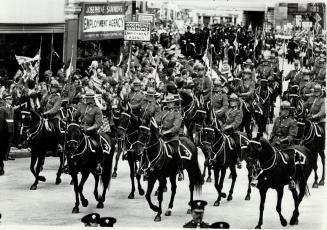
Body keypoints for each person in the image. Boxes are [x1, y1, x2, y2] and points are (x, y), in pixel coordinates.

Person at [269, 101, 298, 189]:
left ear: (288, 111)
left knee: (290, 159)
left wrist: (281, 141)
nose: (282, 111)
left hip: (286, 145)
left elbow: (291, 136)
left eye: (285, 110)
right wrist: (270, 139)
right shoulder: (277, 119)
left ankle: (291, 179)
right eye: (282, 109)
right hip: (275, 142)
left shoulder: (292, 121)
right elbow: (273, 132)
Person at [74, 93, 103, 174]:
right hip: (80, 130)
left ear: (93, 99)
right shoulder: (81, 106)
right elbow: (75, 116)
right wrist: (71, 114)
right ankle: (68, 163)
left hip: (92, 132)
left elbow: (97, 124)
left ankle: (98, 164)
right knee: (71, 142)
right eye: (86, 97)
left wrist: (88, 129)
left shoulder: (97, 110)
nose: (86, 99)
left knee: (97, 145)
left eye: (88, 98)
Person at [155, 95, 183, 178]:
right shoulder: (163, 112)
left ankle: (179, 170)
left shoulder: (177, 113)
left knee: (176, 152)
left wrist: (165, 132)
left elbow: (176, 127)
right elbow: (156, 120)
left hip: (172, 137)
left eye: (171, 102)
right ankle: (147, 169)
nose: (169, 104)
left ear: (173, 103)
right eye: (168, 103)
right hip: (162, 137)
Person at [222, 93, 243, 168]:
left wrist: (227, 127)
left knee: (237, 143)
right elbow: (225, 120)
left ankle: (238, 160)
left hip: (234, 131)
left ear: (237, 102)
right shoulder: (228, 110)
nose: (231, 102)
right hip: (225, 130)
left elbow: (236, 123)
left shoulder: (239, 111)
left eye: (233, 101)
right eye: (231, 101)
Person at [42, 80, 62, 153]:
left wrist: (46, 112)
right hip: (45, 116)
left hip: (54, 117)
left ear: (56, 89)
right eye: (51, 87)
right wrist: (46, 94)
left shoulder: (58, 98)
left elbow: (55, 109)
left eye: (53, 87)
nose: (52, 88)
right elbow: (42, 103)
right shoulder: (48, 95)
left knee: (57, 128)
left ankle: (59, 144)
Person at [0, 93, 15, 161]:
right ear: (6, 100)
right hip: (5, 128)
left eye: (11, 99)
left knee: (9, 143)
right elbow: (1, 119)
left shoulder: (12, 108)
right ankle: (3, 156)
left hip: (11, 127)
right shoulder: (2, 108)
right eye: (9, 99)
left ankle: (7, 154)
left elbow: (12, 119)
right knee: (4, 143)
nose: (11, 100)